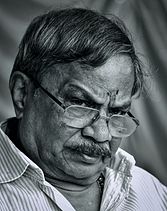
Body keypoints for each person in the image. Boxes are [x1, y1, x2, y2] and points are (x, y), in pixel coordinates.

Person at [0, 8, 166, 211]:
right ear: (22, 94)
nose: (102, 135)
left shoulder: (150, 192)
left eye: (118, 112)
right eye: (81, 104)